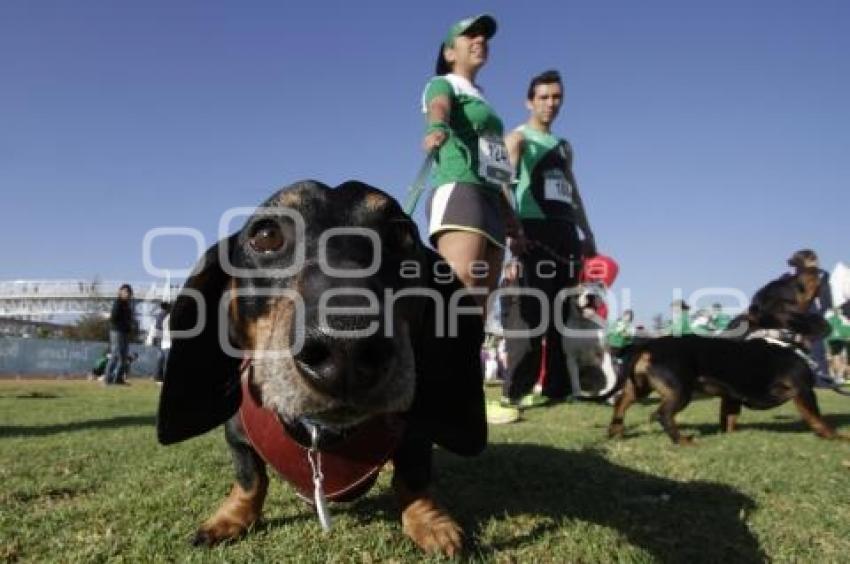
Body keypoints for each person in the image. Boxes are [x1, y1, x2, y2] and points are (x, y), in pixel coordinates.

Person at [499, 69, 598, 410]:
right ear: (529, 101)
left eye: (556, 97)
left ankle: (557, 388)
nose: (550, 103)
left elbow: (574, 191)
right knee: (531, 312)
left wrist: (587, 232)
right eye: (543, 97)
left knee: (563, 314)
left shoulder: (564, 146)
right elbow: (504, 186)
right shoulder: (517, 139)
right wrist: (514, 232)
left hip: (565, 231)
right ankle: (516, 390)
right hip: (532, 229)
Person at [422, 14, 522, 314]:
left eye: (484, 37)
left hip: (490, 199)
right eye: (470, 36)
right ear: (450, 52)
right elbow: (439, 107)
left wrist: (510, 216)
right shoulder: (442, 83)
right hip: (459, 188)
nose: (480, 41)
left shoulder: (484, 103)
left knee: (483, 297)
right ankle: (438, 359)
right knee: (459, 284)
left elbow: (496, 163)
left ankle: (469, 361)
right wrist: (435, 127)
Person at [786, 249, 833, 384]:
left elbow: (826, 298)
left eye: (815, 259)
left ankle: (821, 382)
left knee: (817, 351)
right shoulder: (788, 276)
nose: (816, 262)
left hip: (813, 316)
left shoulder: (821, 275)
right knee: (794, 349)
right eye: (813, 259)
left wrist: (823, 312)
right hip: (795, 316)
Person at [103, 284, 135, 385]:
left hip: (125, 332)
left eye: (129, 292)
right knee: (115, 355)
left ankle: (118, 379)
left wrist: (129, 327)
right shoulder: (118, 303)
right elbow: (113, 318)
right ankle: (107, 379)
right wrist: (123, 323)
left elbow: (129, 319)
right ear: (120, 292)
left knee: (124, 357)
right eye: (125, 292)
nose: (127, 294)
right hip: (117, 331)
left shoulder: (127, 305)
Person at [146, 301, 171, 383]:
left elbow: (157, 328)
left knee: (160, 358)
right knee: (164, 358)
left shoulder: (160, 315)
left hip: (161, 339)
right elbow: (158, 328)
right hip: (164, 339)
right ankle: (159, 376)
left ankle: (157, 376)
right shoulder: (164, 315)